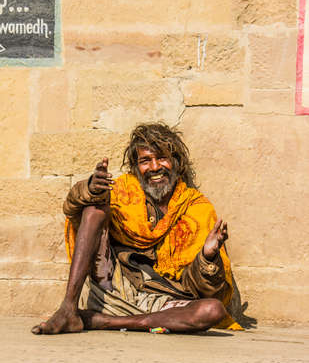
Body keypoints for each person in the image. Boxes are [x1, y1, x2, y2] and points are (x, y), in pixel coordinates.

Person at [32, 122, 241, 335]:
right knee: (94, 208)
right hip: (113, 287)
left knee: (213, 310)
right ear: (136, 166)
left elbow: (202, 290)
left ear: (176, 162)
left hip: (164, 302)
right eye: (145, 161)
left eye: (162, 158)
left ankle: (103, 321)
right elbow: (71, 206)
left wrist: (207, 257)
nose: (154, 167)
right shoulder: (123, 190)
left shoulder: (196, 208)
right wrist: (90, 189)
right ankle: (69, 308)